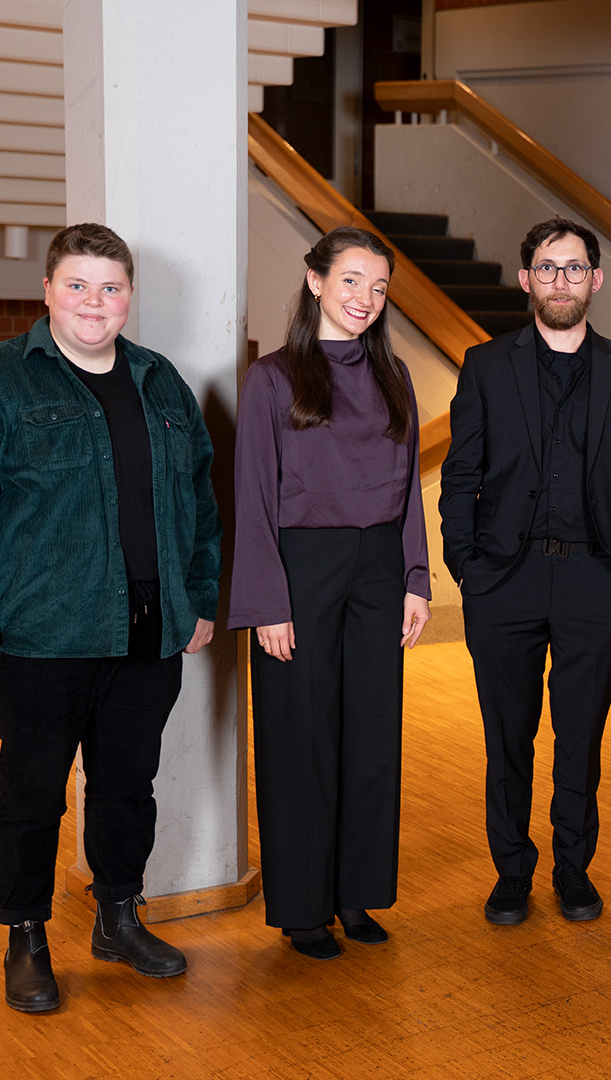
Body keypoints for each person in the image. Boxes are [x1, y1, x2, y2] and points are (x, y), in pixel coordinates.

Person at [0, 223, 222, 1013]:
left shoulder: (160, 382)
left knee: (128, 787)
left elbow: (198, 502)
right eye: (78, 285)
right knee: (32, 794)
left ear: (129, 298)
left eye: (111, 287)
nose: (95, 302)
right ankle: (25, 934)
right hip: (39, 635)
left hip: (150, 634)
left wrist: (201, 599)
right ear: (47, 290)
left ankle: (118, 916)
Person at [439, 217, 611, 925]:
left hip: (596, 583)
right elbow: (460, 475)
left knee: (580, 736)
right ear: (525, 278)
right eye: (547, 267)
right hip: (503, 583)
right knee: (507, 737)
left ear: (595, 280)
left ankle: (573, 870)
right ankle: (511, 872)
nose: (560, 280)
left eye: (574, 268)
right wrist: (467, 568)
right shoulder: (484, 366)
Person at [228, 227, 431, 960]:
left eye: (378, 288)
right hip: (300, 567)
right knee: (299, 736)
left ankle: (356, 894)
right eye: (350, 281)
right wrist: (266, 601)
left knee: (371, 737)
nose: (365, 300)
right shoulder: (274, 379)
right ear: (315, 280)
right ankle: (304, 906)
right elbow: (251, 495)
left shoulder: (395, 375)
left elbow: (408, 487)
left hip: (379, 564)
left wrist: (415, 577)